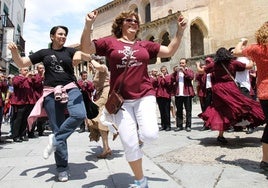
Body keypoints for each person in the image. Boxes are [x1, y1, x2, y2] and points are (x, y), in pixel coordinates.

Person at [80, 10, 187, 188]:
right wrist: (88, 24)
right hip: (121, 101)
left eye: (136, 21)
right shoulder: (110, 42)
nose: (134, 23)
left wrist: (180, 31)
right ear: (121, 23)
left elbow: (169, 50)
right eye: (129, 20)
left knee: (150, 134)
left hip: (144, 95)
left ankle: (135, 136)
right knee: (129, 145)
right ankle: (140, 180)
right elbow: (86, 48)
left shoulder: (144, 44)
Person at [8, 25, 91, 182]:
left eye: (65, 34)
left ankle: (55, 139)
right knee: (58, 127)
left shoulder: (70, 51)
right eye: (60, 34)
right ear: (52, 36)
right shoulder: (44, 53)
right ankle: (62, 168)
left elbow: (82, 54)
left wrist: (87, 57)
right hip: (51, 93)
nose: (63, 36)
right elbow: (22, 63)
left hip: (70, 88)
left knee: (80, 114)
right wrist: (14, 52)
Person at [197, 47, 265, 144]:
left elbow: (200, 71)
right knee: (240, 104)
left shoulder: (214, 64)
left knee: (220, 110)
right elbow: (249, 66)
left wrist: (197, 65)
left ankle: (221, 135)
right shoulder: (233, 63)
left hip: (218, 89)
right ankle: (248, 122)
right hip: (230, 87)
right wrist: (251, 58)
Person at [233, 21, 268, 171]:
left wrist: (242, 41)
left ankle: (265, 160)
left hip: (264, 91)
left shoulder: (256, 49)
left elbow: (236, 51)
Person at [87, 55, 118, 158]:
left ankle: (114, 128)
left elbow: (100, 68)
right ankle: (106, 147)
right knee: (101, 121)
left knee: (93, 115)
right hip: (100, 94)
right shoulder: (97, 71)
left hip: (105, 94)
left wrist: (90, 59)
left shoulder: (103, 67)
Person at [171, 58, 195, 132]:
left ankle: (188, 126)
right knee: (179, 110)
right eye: (180, 63)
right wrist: (175, 72)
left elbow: (191, 77)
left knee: (188, 110)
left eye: (183, 63)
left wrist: (184, 71)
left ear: (186, 64)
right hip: (178, 94)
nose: (181, 64)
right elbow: (172, 79)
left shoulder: (189, 71)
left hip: (187, 93)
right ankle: (179, 125)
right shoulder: (177, 73)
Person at [195, 59, 212, 131]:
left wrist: (198, 66)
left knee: (212, 108)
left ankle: (211, 123)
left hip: (212, 91)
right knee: (204, 108)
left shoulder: (212, 71)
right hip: (204, 92)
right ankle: (206, 124)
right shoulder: (201, 73)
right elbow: (198, 78)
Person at [156, 65, 172, 131]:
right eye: (162, 70)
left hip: (166, 95)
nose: (163, 72)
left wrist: (163, 77)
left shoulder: (168, 76)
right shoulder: (159, 77)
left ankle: (168, 125)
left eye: (164, 70)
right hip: (159, 96)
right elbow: (157, 84)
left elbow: (168, 84)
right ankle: (163, 125)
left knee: (167, 111)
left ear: (166, 70)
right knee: (161, 111)